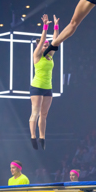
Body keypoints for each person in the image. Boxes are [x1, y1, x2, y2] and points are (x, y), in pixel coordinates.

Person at [30, 15, 60, 150]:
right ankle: (33, 136)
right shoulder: (36, 55)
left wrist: (56, 26)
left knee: (44, 114)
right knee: (35, 112)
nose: (46, 47)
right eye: (44, 45)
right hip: (37, 87)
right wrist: (45, 27)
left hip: (48, 88)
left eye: (47, 46)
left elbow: (56, 41)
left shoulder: (50, 56)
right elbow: (42, 40)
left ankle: (42, 137)